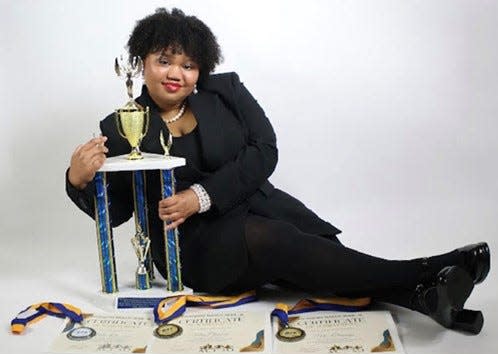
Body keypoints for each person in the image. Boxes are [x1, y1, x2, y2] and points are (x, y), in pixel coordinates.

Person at [66, 8, 490, 334]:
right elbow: (120, 210)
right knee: (279, 242)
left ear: (201, 69)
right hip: (194, 247)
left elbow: (264, 151)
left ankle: (425, 296)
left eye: (189, 65)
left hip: (264, 210)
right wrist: (77, 179)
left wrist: (203, 195)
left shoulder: (226, 90)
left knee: (316, 253)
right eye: (164, 61)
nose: (177, 73)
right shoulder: (123, 124)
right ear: (142, 61)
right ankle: (430, 269)